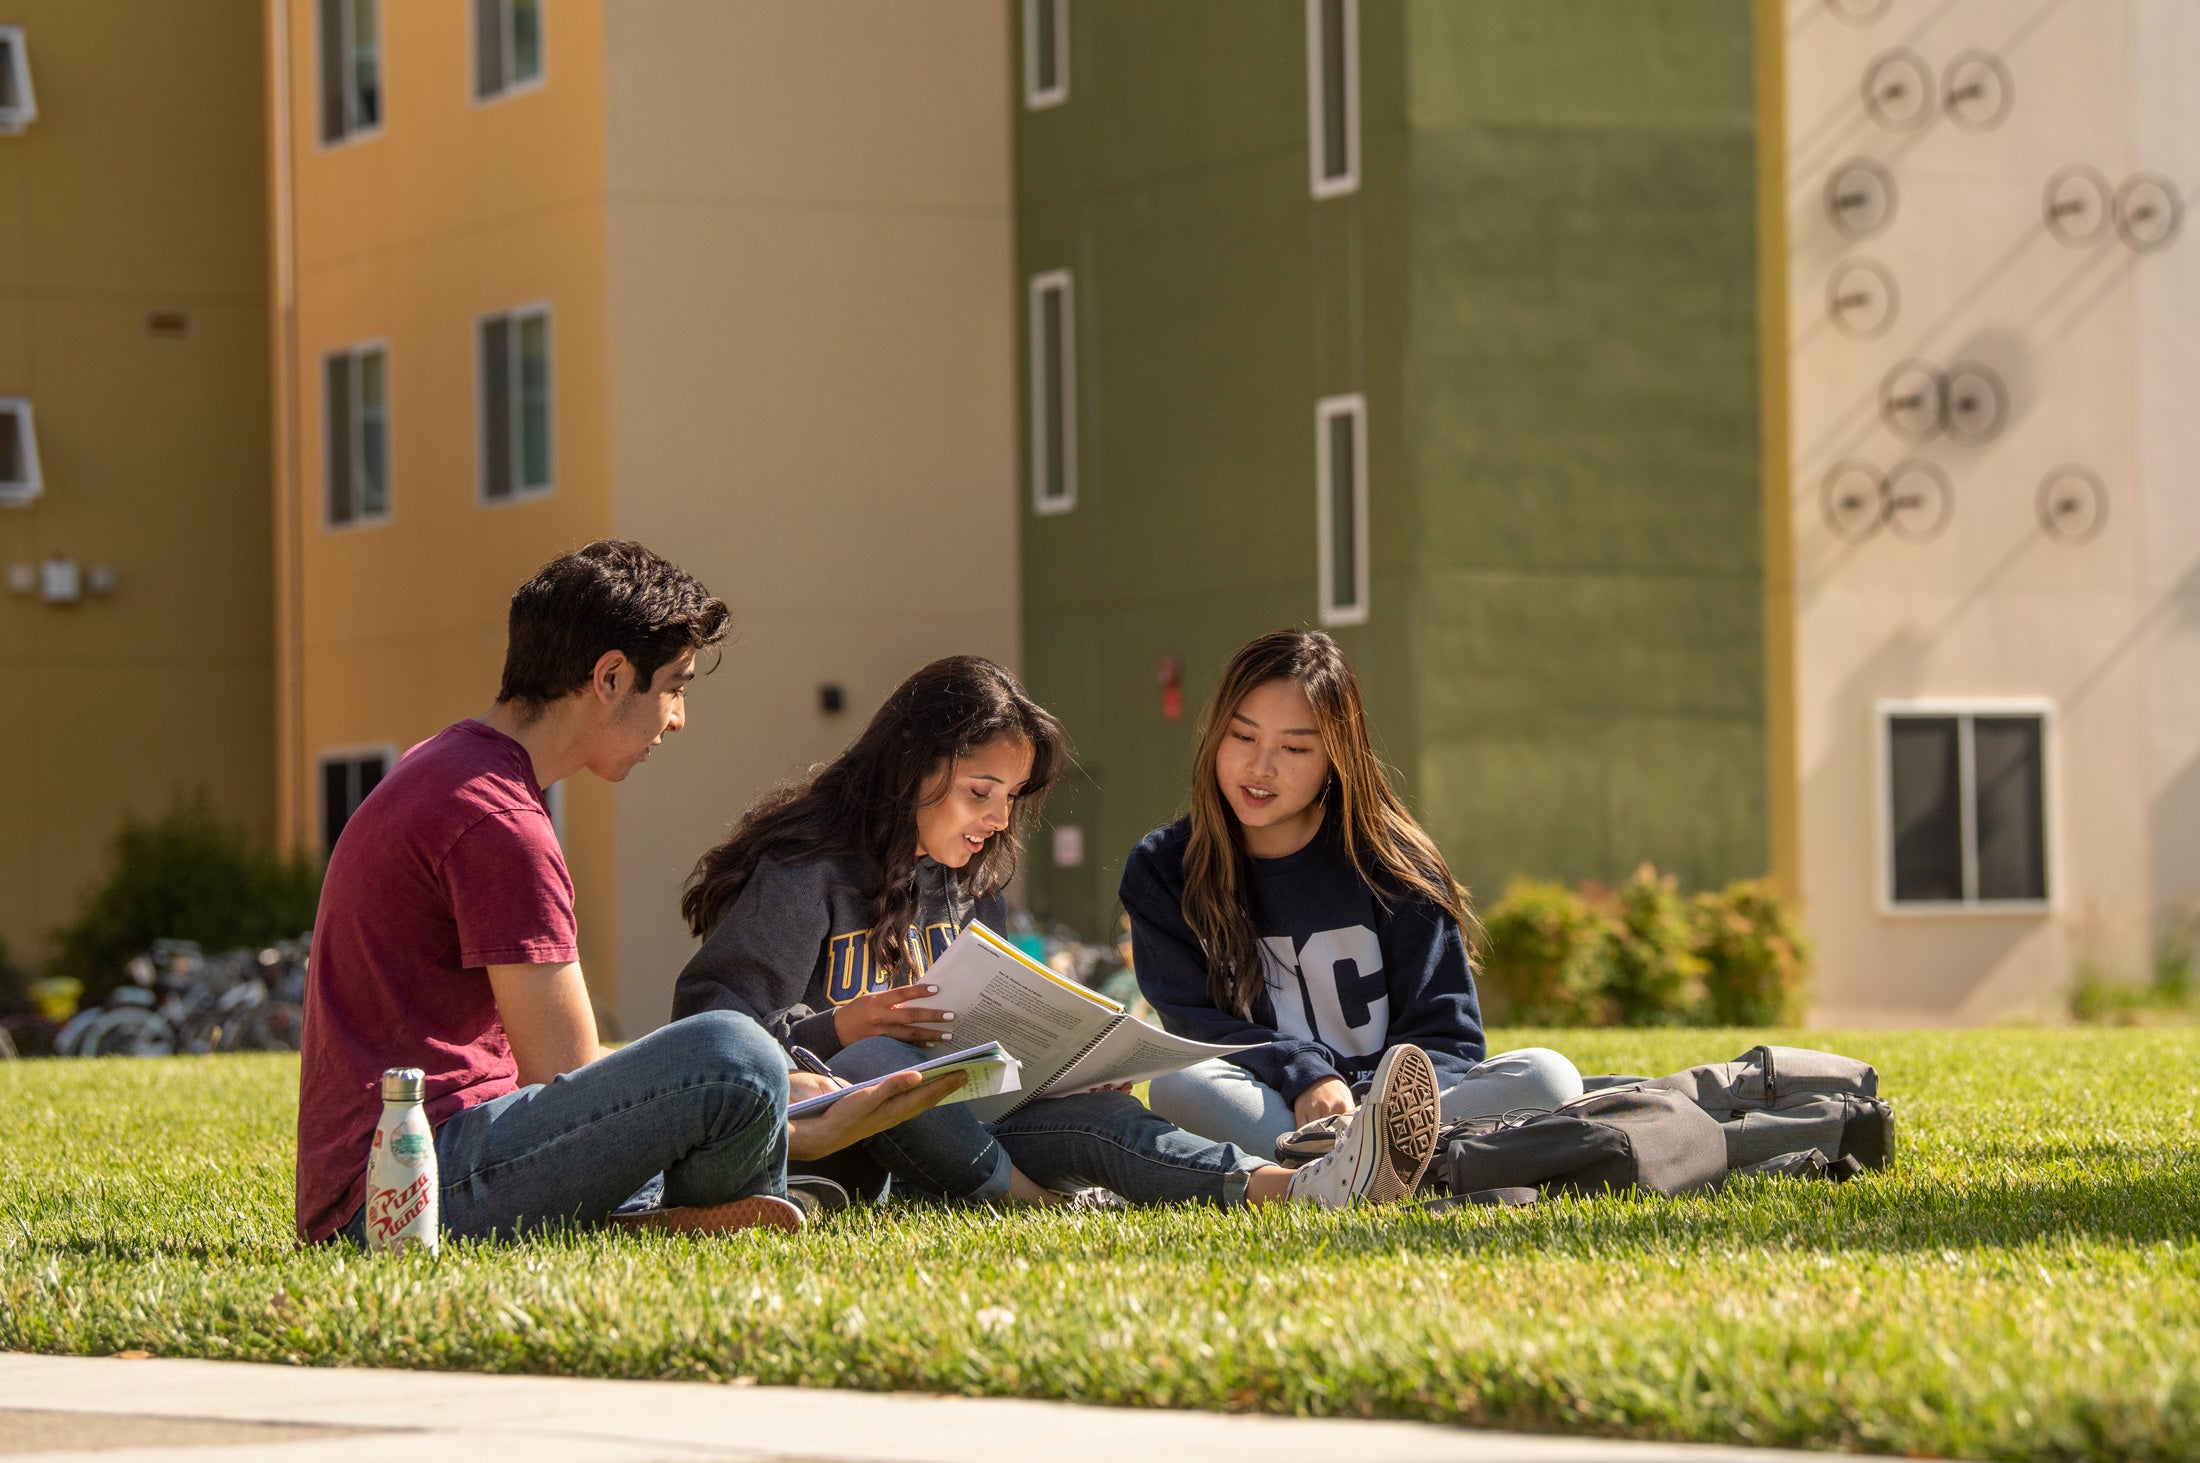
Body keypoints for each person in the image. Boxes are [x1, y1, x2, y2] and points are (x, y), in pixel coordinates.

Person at [294, 541, 956, 1246]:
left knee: (751, 1066)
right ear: (609, 677)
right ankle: (684, 1205)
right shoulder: (500, 820)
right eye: (675, 685)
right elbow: (570, 1080)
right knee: (736, 1050)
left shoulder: (450, 764)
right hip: (407, 1187)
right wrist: (790, 1116)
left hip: (407, 1167)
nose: (677, 717)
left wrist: (774, 1094)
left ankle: (675, 1208)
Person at [671, 655, 1439, 1211]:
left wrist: (1067, 1067)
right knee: (883, 1058)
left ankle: (1298, 1186)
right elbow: (713, 1036)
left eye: (1012, 796)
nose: (1000, 819)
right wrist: (841, 1026)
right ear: (910, 769)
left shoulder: (968, 883)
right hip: (838, 1130)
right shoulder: (805, 874)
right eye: (981, 791)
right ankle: (1028, 1199)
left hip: (959, 1124)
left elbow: (987, 1040)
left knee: (1103, 1118)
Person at [1122, 629, 1582, 1164]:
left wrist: (1373, 1108)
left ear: (1336, 757)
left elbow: (1446, 1036)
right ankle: (1382, 1169)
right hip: (1274, 1107)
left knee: (1549, 1076)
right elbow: (1198, 1032)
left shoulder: (1394, 863)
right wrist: (1304, 1077)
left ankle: (1345, 1167)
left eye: (1294, 748)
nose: (1260, 767)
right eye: (1242, 737)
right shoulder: (1163, 868)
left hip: (1400, 1112)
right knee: (1182, 1085)